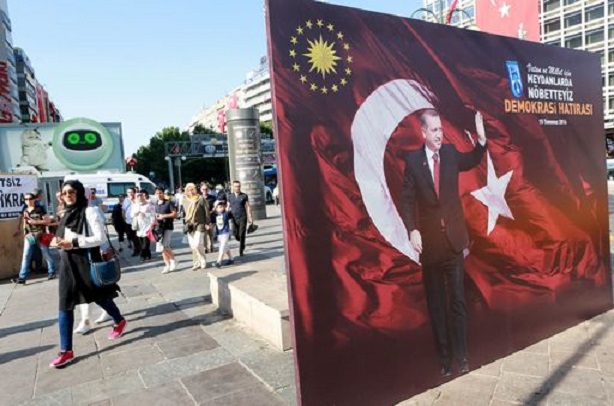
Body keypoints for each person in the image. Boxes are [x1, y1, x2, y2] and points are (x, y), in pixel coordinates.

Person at [402, 109, 487, 377]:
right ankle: (445, 360)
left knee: (458, 301)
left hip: (454, 242)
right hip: (430, 246)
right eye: (435, 130)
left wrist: (481, 140)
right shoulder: (413, 161)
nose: (440, 134)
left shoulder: (450, 154)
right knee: (437, 305)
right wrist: (412, 229)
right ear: (423, 132)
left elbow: (472, 159)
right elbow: (407, 199)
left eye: (441, 129)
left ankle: (462, 357)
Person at [49, 180, 127, 368]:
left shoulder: (90, 211)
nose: (68, 195)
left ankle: (119, 320)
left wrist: (73, 243)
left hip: (86, 260)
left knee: (98, 296)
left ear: (79, 193)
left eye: (71, 192)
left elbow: (100, 238)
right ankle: (66, 350)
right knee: (65, 303)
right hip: (67, 263)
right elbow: (64, 236)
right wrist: (57, 242)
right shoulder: (65, 212)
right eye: (65, 192)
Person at [12, 192, 57, 284]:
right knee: (26, 256)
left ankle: (52, 272)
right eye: (26, 199)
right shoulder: (25, 209)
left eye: (30, 199)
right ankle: (22, 278)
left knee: (46, 254)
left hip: (41, 235)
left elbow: (47, 221)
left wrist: (36, 222)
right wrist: (24, 233)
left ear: (34, 199)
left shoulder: (40, 208)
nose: (28, 201)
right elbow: (24, 222)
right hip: (30, 236)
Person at [183, 182, 210, 270]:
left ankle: (203, 260)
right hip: (190, 225)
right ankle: (196, 262)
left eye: (192, 189)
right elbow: (184, 213)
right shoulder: (185, 200)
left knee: (197, 243)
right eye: (188, 190)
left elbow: (206, 211)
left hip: (200, 224)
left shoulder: (201, 199)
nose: (190, 192)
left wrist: (207, 223)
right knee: (193, 246)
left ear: (195, 189)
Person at [154, 186, 178, 273]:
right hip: (159, 228)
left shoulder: (169, 203)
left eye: (160, 193)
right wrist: (156, 217)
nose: (159, 195)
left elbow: (175, 214)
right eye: (157, 193)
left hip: (168, 227)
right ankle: (167, 265)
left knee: (165, 245)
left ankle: (173, 260)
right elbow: (155, 214)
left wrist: (164, 216)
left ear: (163, 193)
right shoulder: (156, 203)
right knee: (161, 248)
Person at [228, 180, 253, 256]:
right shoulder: (230, 196)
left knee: (242, 233)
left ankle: (241, 250)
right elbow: (228, 206)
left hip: (243, 217)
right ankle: (242, 241)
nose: (237, 188)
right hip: (234, 217)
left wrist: (250, 217)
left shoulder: (244, 196)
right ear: (233, 187)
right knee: (235, 233)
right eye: (236, 186)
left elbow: (248, 206)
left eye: (238, 186)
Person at [133, 190, 155, 262]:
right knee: (141, 242)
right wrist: (135, 214)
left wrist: (145, 214)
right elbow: (131, 215)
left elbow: (153, 214)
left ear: (143, 196)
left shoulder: (148, 204)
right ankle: (148, 254)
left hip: (147, 225)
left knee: (146, 242)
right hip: (139, 226)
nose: (139, 197)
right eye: (138, 196)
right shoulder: (135, 205)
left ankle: (142, 255)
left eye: (141, 196)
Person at [213, 200, 234, 268]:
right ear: (216, 208)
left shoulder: (226, 214)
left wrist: (228, 205)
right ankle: (231, 259)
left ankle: (219, 262)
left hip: (225, 232)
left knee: (222, 247)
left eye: (222, 206)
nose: (221, 208)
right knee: (225, 246)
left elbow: (229, 210)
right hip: (219, 233)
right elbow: (212, 222)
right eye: (219, 207)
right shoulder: (215, 215)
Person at [123, 187, 140, 256]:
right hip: (128, 221)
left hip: (136, 221)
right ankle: (136, 248)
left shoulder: (137, 199)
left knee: (136, 236)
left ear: (134, 192)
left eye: (131, 192)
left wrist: (133, 201)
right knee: (130, 236)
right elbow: (123, 210)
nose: (130, 194)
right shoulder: (126, 200)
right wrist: (124, 218)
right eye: (128, 192)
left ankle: (137, 250)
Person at [200, 182, 216, 253]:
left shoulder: (213, 198)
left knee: (210, 233)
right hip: (202, 219)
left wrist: (211, 212)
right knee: (204, 234)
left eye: (206, 189)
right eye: (203, 189)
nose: (205, 191)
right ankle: (205, 248)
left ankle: (211, 246)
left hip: (211, 218)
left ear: (208, 189)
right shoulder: (199, 198)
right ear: (201, 190)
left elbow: (215, 207)